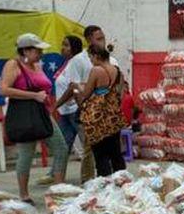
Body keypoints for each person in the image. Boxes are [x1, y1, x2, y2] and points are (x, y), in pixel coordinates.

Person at [0, 33, 68, 202]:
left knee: (61, 148)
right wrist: (33, 95)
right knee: (26, 154)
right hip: (24, 114)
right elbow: (4, 89)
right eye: (37, 50)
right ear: (26, 51)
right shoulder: (13, 65)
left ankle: (58, 190)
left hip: (42, 112)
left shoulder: (37, 66)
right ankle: (24, 194)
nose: (40, 54)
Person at [58, 25, 119, 183]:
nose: (102, 41)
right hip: (94, 112)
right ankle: (92, 181)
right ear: (88, 40)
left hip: (104, 113)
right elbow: (76, 87)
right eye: (98, 39)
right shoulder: (78, 61)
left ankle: (104, 181)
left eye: (103, 38)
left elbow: (116, 89)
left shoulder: (109, 63)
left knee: (104, 150)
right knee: (94, 150)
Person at [76, 45, 127, 177]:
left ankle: (105, 183)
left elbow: (87, 92)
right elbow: (120, 95)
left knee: (100, 153)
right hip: (114, 116)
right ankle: (121, 181)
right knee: (115, 153)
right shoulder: (118, 72)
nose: (90, 60)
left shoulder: (96, 70)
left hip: (98, 119)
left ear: (96, 56)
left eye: (90, 57)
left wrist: (78, 88)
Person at [41, 34, 85, 186]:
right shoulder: (66, 64)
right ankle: (55, 173)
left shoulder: (76, 63)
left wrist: (58, 104)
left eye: (66, 45)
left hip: (74, 110)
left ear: (74, 48)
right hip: (65, 113)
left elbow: (76, 88)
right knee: (62, 145)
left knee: (87, 144)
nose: (62, 48)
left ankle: (95, 173)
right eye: (62, 44)